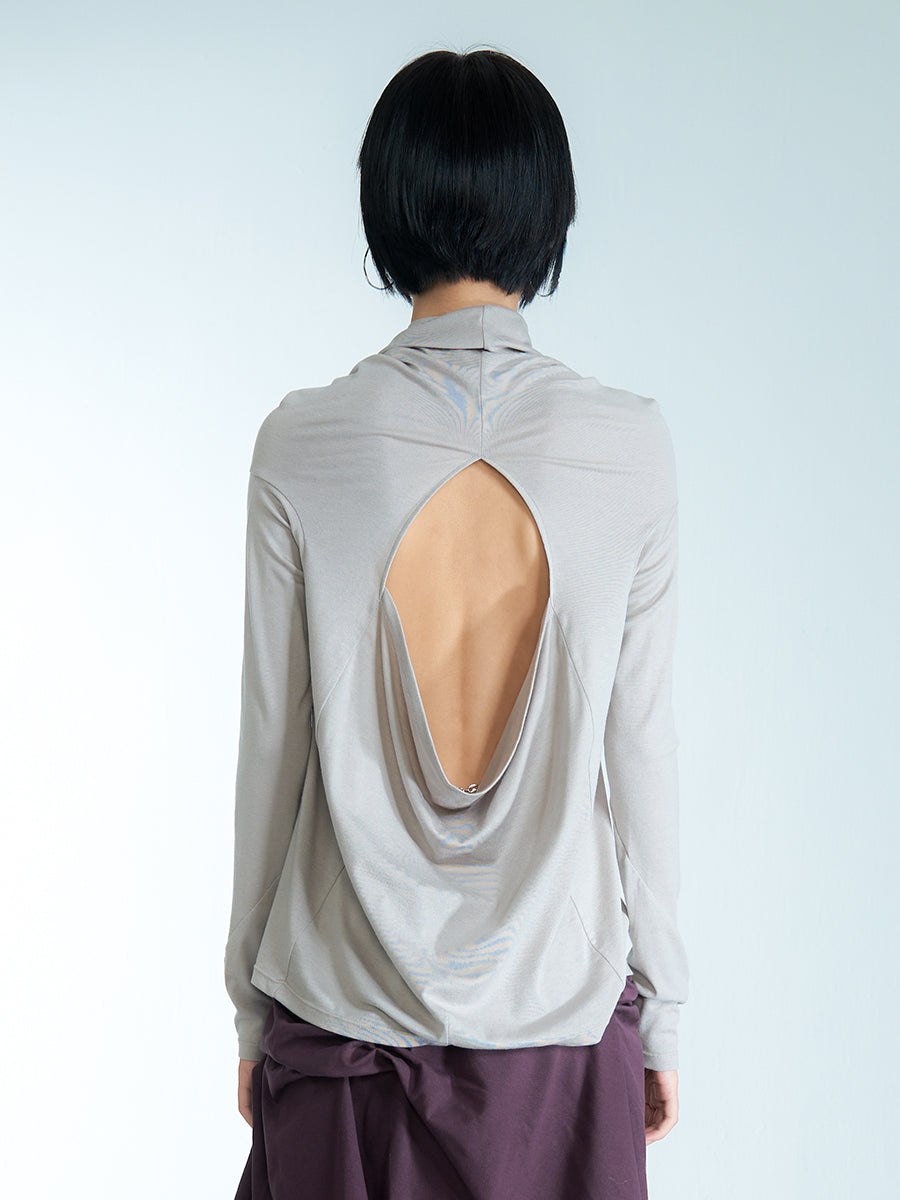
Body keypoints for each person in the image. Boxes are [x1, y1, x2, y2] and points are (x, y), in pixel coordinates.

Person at [225, 45, 689, 1200]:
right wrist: (667, 1011)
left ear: (387, 203)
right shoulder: (630, 447)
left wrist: (247, 1009)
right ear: (550, 211)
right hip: (559, 1038)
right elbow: (642, 750)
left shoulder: (303, 444)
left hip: (341, 1026)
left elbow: (271, 747)